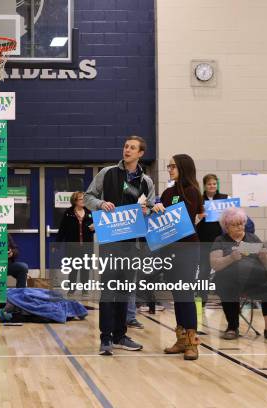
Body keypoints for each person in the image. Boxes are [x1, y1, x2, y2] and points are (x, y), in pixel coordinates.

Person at [84, 135, 154, 355]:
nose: (127, 150)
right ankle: (105, 338)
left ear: (141, 153)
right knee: (108, 291)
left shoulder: (146, 181)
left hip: (131, 243)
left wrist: (147, 211)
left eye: (133, 148)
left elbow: (150, 208)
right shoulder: (107, 173)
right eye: (126, 146)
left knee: (124, 290)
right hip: (110, 241)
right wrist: (100, 203)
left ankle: (120, 335)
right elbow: (88, 197)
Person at [152, 154, 203, 360]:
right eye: (168, 166)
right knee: (177, 296)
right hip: (168, 250)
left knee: (186, 295)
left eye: (173, 166)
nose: (170, 169)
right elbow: (159, 220)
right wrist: (151, 210)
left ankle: (192, 342)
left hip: (187, 249)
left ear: (184, 167)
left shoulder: (192, 191)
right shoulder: (167, 192)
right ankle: (181, 339)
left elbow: (184, 220)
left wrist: (163, 213)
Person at [210, 207, 267, 341]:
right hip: (229, 280)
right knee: (227, 286)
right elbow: (215, 264)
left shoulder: (253, 238)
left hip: (254, 279)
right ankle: (232, 327)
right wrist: (231, 258)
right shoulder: (220, 240)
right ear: (227, 226)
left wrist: (265, 255)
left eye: (242, 223)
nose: (240, 227)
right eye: (235, 224)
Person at [196, 174, 228, 304]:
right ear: (204, 185)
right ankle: (202, 298)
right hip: (204, 240)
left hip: (220, 241)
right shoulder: (199, 200)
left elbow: (231, 217)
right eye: (209, 184)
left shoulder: (225, 199)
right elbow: (193, 221)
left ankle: (225, 296)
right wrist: (200, 216)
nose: (212, 186)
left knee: (224, 269)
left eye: (214, 183)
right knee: (204, 270)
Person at [56, 191, 94, 296]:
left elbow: (95, 227)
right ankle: (72, 289)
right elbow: (62, 230)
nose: (83, 201)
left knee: (85, 268)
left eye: (84, 199)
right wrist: (57, 244)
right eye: (81, 199)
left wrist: (94, 228)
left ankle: (84, 290)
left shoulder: (89, 212)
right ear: (75, 201)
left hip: (86, 245)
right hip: (73, 245)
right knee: (73, 268)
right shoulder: (68, 213)